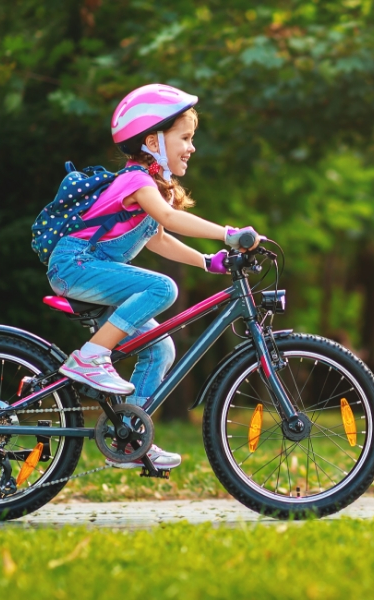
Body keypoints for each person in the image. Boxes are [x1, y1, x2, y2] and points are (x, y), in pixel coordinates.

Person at [45, 83, 260, 469]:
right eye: (185, 137)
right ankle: (91, 357)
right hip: (75, 265)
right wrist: (228, 233)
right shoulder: (135, 181)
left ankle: (130, 438)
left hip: (92, 269)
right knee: (162, 286)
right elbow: (171, 219)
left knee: (160, 346)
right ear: (152, 140)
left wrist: (208, 261)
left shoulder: (148, 187)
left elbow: (159, 238)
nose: (191, 147)